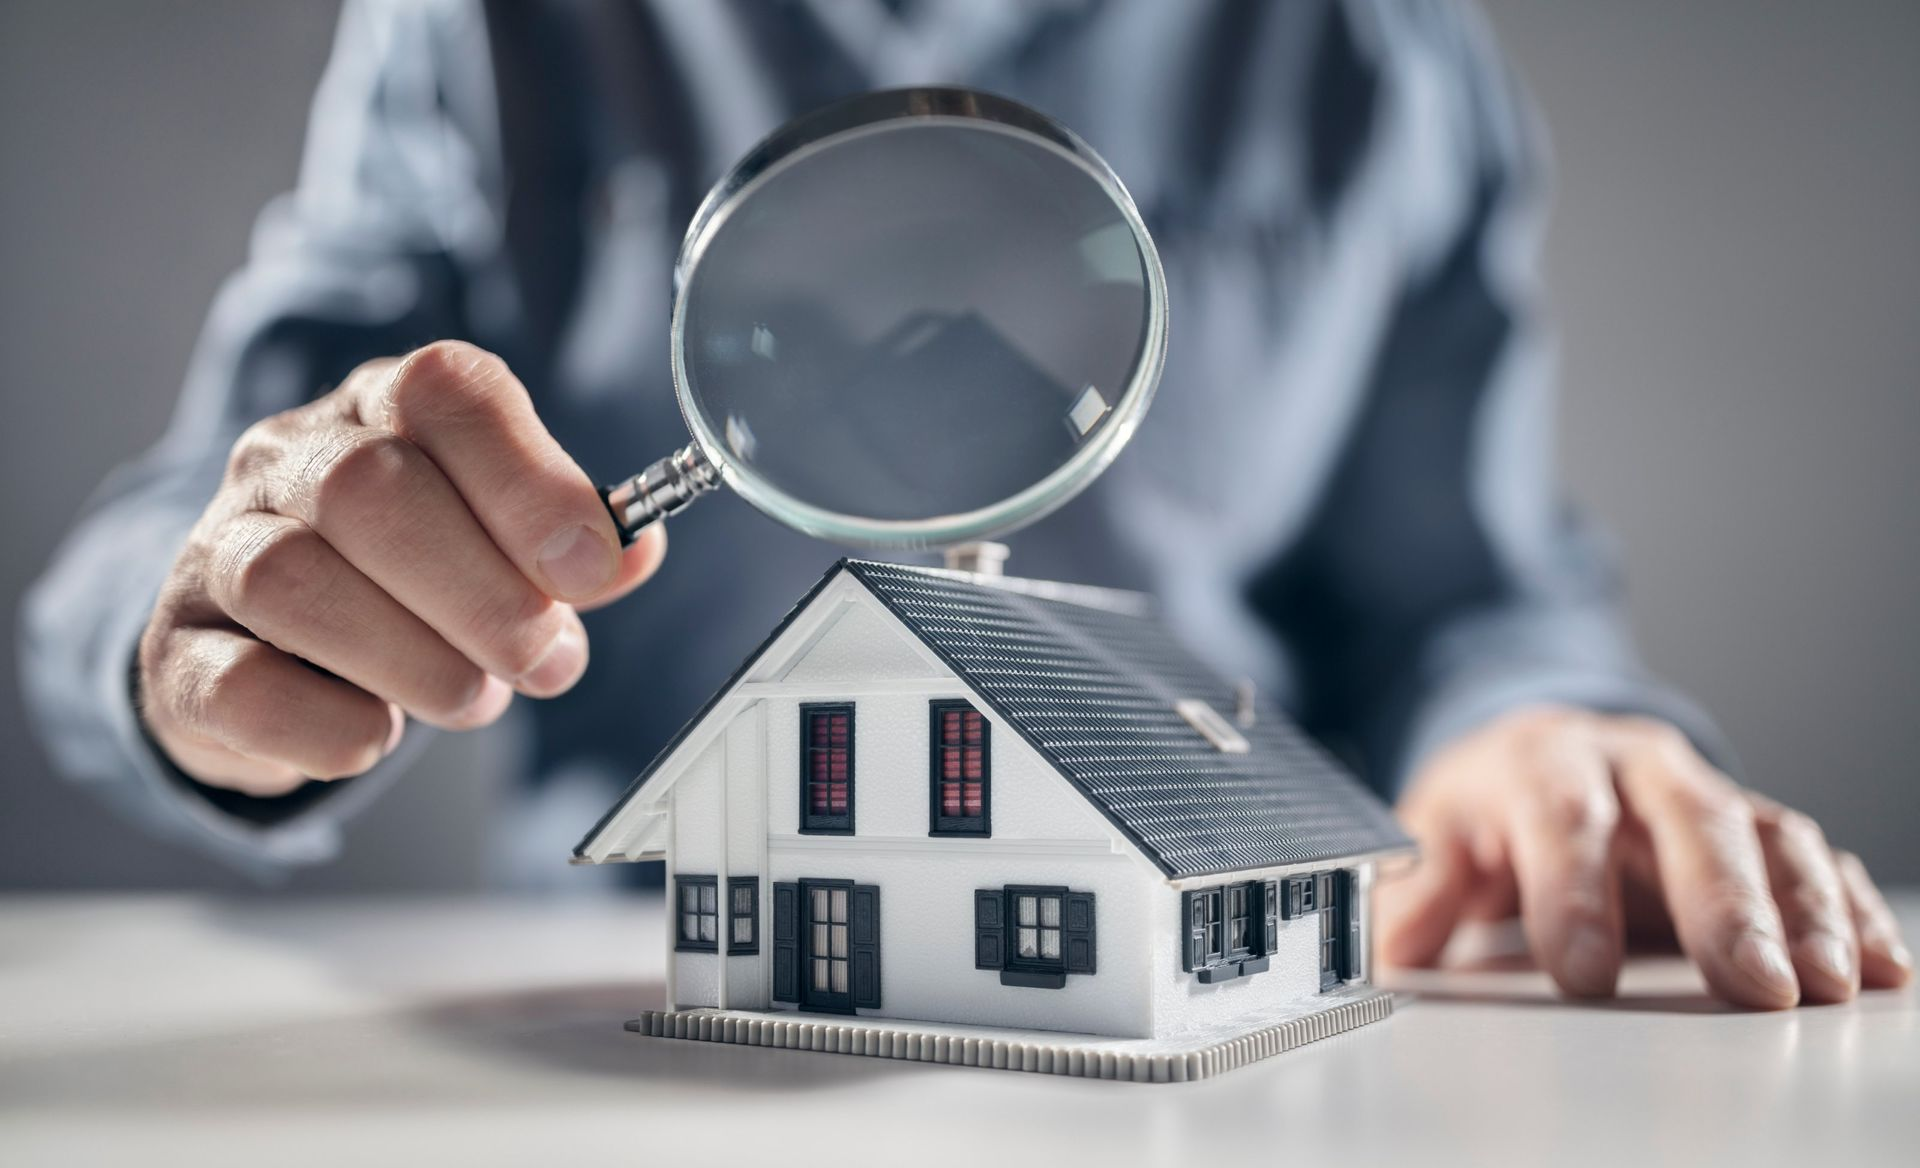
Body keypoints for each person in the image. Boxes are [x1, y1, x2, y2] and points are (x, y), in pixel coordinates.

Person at [20, 0, 1908, 1009]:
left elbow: (1468, 599)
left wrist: (1531, 729)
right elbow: (187, 526)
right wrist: (215, 627)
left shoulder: (1373, 49)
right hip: (626, 1022)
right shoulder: (483, 27)